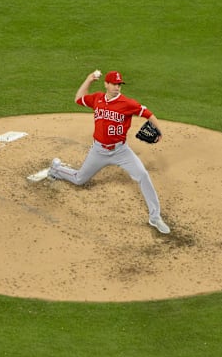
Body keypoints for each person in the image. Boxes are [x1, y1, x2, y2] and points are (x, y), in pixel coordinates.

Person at [49, 70, 170, 234]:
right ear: (106, 84)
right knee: (79, 180)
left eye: (119, 84)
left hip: (121, 151)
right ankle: (56, 169)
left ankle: (155, 217)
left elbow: (148, 114)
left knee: (142, 174)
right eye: (114, 84)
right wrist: (89, 79)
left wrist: (159, 131)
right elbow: (78, 98)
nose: (117, 87)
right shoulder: (97, 98)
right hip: (98, 151)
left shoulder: (127, 103)